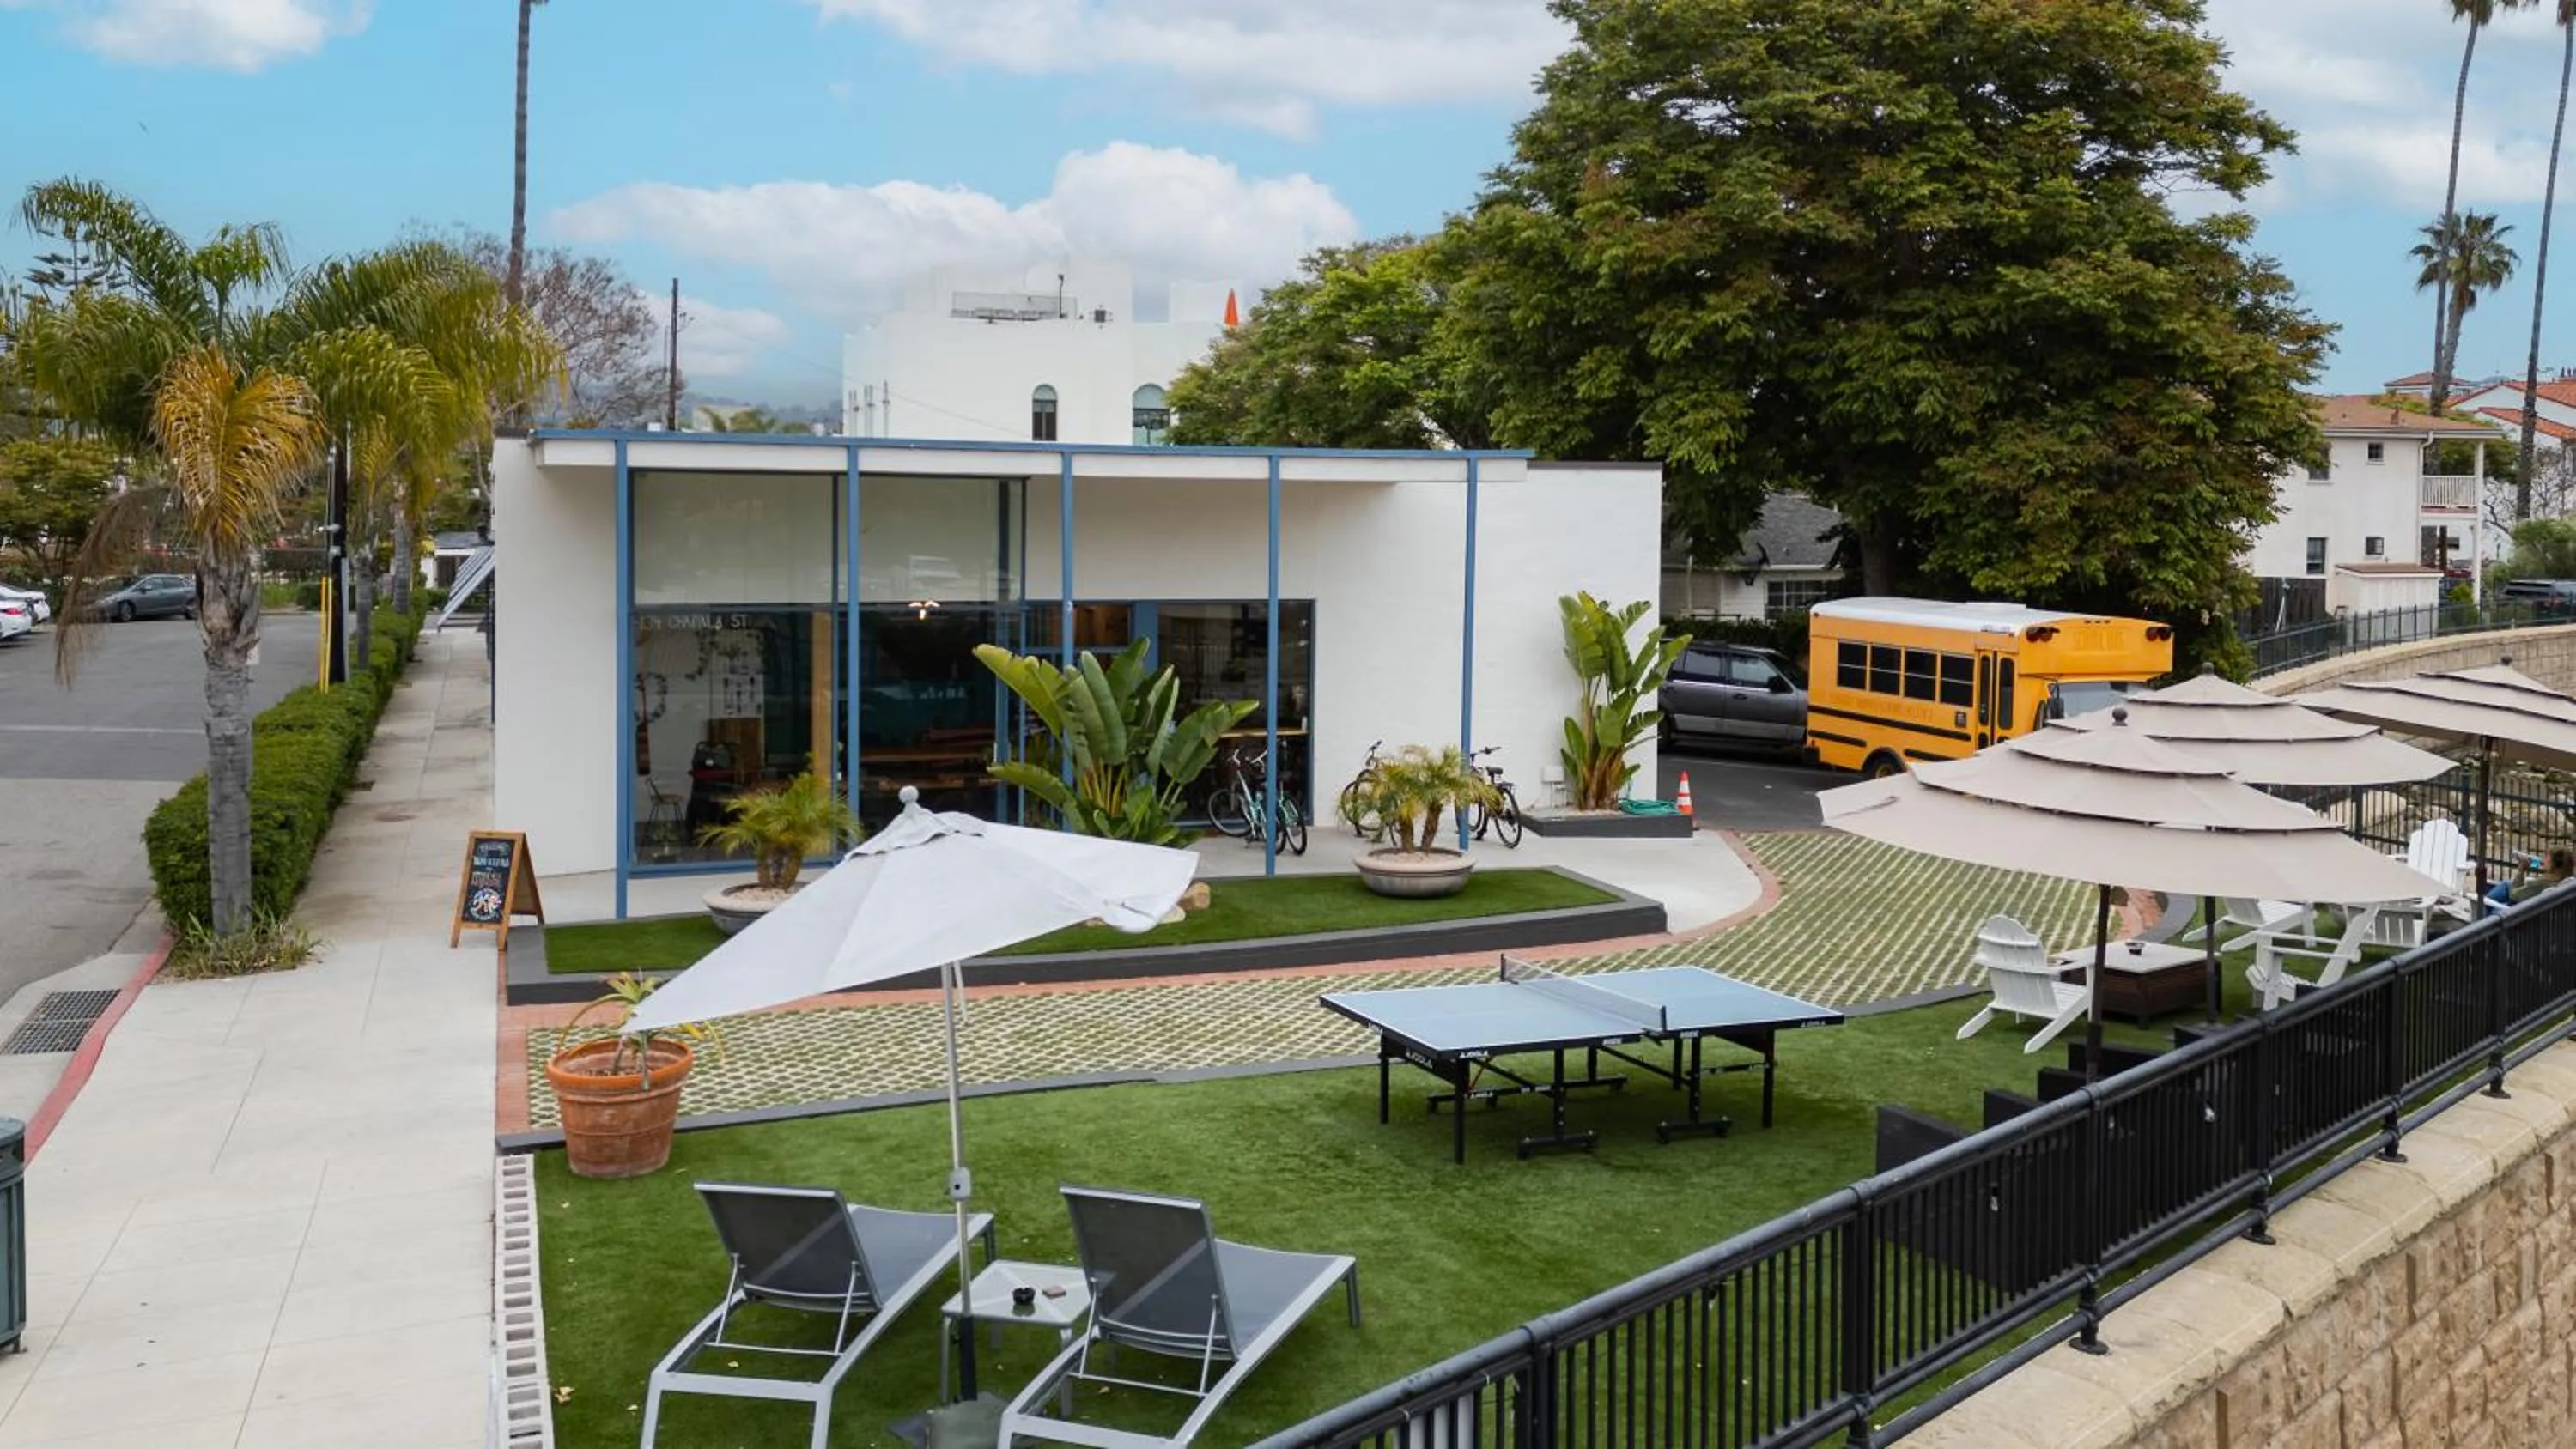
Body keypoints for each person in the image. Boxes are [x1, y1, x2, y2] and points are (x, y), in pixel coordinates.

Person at [2485, 846, 2575, 912]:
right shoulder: (2568, 881)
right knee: (2508, 884)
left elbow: (2514, 896)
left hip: (2522, 917)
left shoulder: (2543, 882)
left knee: (2492, 905)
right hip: (2541, 914)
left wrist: (2521, 871)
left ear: (2554, 864)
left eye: (2547, 858)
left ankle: (2481, 911)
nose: (2544, 860)